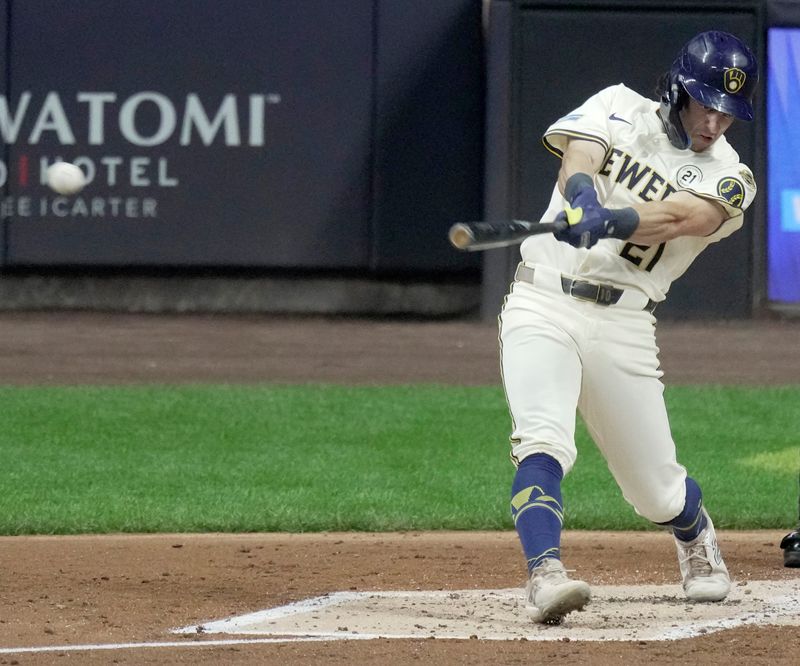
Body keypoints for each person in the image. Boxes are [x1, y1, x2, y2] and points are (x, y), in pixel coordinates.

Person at [499, 30, 758, 624]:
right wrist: (583, 196)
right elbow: (578, 159)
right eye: (706, 104)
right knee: (542, 440)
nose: (715, 123)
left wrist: (610, 218)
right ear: (677, 89)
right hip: (542, 302)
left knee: (654, 491)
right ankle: (545, 573)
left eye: (727, 112)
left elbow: (680, 217)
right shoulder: (616, 104)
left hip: (623, 321)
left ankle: (694, 535)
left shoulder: (730, 175)